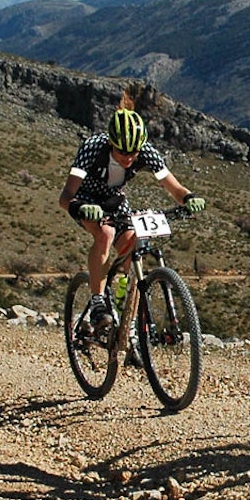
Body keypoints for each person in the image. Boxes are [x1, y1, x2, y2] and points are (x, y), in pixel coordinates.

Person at [58, 94, 206, 332]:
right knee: (105, 233)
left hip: (114, 200)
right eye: (121, 153)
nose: (128, 158)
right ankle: (97, 302)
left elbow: (173, 186)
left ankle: (124, 316)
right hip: (86, 200)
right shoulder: (92, 148)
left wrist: (188, 198)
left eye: (133, 153)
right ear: (111, 144)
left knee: (133, 243)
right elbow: (65, 196)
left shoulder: (145, 151)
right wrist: (79, 207)